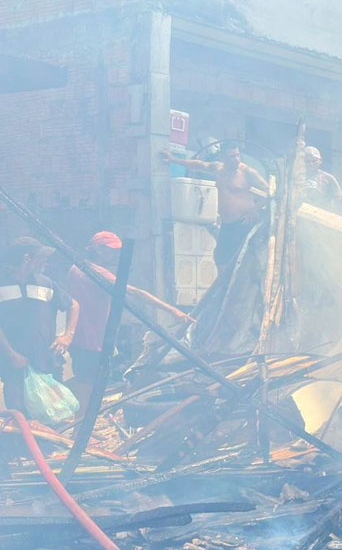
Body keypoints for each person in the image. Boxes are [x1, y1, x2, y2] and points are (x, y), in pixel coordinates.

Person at [65, 231, 193, 407]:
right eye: (108, 250)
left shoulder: (75, 268)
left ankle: (83, 426)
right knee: (89, 387)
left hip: (84, 339)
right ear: (96, 249)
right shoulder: (97, 273)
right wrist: (173, 311)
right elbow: (137, 293)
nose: (113, 255)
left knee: (86, 384)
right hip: (92, 340)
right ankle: (81, 427)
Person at [0, 236, 79, 416]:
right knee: (19, 414)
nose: (45, 261)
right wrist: (11, 354)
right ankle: (23, 444)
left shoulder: (46, 283)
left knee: (55, 410)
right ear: (27, 258)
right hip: (14, 363)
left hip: (47, 358)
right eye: (40, 257)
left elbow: (73, 305)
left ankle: (53, 443)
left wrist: (68, 336)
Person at [161, 144, 269, 276]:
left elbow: (268, 192)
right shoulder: (218, 169)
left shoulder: (247, 172)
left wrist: (254, 209)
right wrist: (174, 160)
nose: (236, 159)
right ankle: (224, 289)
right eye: (231, 157)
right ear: (223, 158)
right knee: (220, 259)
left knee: (242, 259)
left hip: (244, 223)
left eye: (238, 155)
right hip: (228, 224)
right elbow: (199, 165)